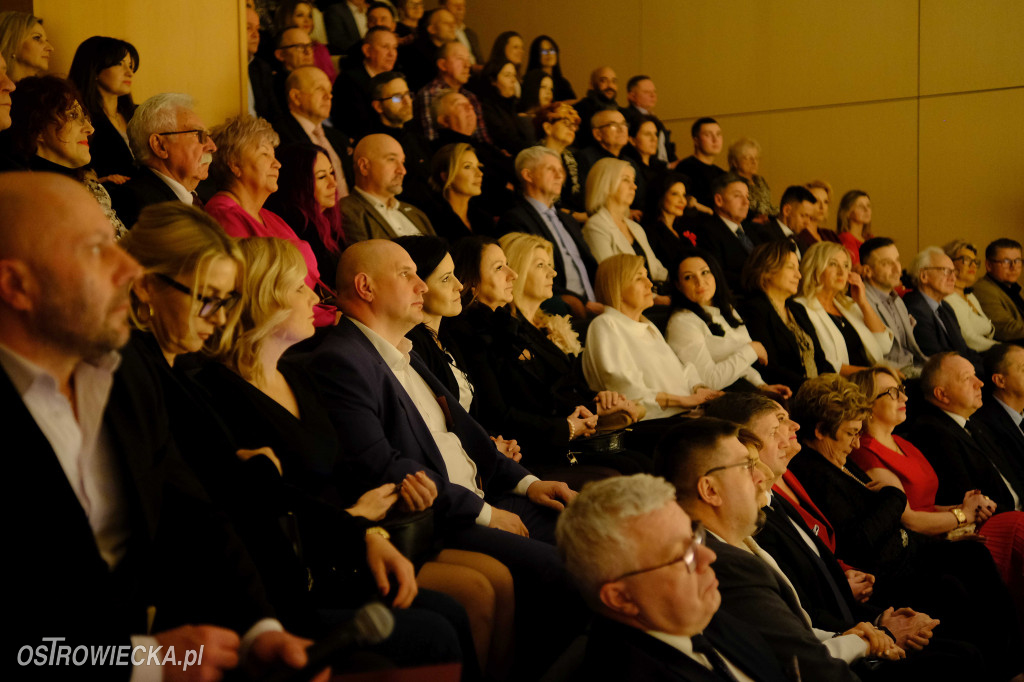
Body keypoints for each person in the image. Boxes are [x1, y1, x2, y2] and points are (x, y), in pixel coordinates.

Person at [0, 172, 326, 681]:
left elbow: (194, 515)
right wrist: (147, 663)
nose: (128, 267)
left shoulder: (124, 371)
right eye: (93, 250)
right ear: (17, 286)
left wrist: (262, 629)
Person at [306, 238, 587, 678]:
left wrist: (530, 483)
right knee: (560, 569)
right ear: (365, 286)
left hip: (481, 498)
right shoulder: (342, 359)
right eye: (406, 274)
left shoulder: (405, 350)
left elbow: (470, 437)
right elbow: (380, 463)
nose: (421, 285)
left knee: (590, 526)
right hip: (440, 517)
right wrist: (485, 512)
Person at [787, 373, 1024, 678]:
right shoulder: (814, 471)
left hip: (906, 551)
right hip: (885, 574)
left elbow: (889, 521)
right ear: (820, 430)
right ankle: (1000, 667)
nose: (856, 442)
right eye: (850, 433)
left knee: (972, 555)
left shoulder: (837, 460)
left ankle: (1011, 664)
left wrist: (947, 534)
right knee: (952, 590)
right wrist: (895, 496)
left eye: (859, 433)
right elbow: (861, 540)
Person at [702, 394, 955, 658]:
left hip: (852, 615)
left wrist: (878, 622)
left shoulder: (776, 495)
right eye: (778, 425)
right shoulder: (750, 523)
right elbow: (801, 629)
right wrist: (880, 633)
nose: (794, 426)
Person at [653, 418, 895, 681]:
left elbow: (788, 634)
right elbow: (805, 667)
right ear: (710, 490)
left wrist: (851, 637)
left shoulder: (732, 544)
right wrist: (866, 642)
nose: (762, 475)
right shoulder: (720, 563)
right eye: (747, 466)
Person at [556, 473, 790, 682]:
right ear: (621, 598)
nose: (708, 556)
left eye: (694, 537)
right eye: (683, 555)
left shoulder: (701, 615)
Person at [849, 366, 1024, 597]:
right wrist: (962, 516)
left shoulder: (903, 442)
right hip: (923, 546)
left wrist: (965, 508)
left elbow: (927, 505)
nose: (904, 396)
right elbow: (908, 519)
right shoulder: (865, 452)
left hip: (948, 531)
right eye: (892, 392)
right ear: (867, 403)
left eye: (901, 389)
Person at [203, 114, 336, 327]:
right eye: (265, 155)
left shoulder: (270, 216)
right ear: (235, 166)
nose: (277, 164)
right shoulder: (223, 216)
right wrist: (332, 317)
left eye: (274, 155)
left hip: (312, 315)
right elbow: (259, 296)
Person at [582, 254, 720, 421]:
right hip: (654, 423)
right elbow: (626, 391)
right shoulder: (605, 324)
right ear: (617, 286)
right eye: (639, 279)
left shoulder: (647, 326)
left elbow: (682, 370)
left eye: (647, 277)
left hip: (685, 413)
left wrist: (699, 388)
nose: (650, 284)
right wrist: (684, 401)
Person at [5, 75, 126, 238]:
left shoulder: (91, 187)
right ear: (38, 127)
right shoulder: (28, 198)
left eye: (85, 118)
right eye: (73, 116)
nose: (90, 129)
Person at [906, 352, 1024, 514]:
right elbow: (967, 501)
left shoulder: (974, 422)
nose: (980, 383)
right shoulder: (931, 434)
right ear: (942, 394)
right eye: (966, 378)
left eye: (975, 375)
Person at [666, 249, 791, 397]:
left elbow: (738, 364)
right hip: (717, 400)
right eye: (688, 277)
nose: (700, 282)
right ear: (678, 285)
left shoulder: (725, 309)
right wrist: (752, 350)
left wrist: (760, 384)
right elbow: (709, 381)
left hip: (742, 390)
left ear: (715, 274)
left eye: (705, 272)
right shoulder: (682, 322)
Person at [495, 145, 598, 319]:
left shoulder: (568, 220)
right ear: (528, 175)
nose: (560, 176)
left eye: (561, 170)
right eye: (551, 170)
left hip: (593, 301)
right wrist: (578, 301)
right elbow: (527, 273)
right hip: (561, 306)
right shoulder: (515, 219)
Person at [110, 92, 218, 228]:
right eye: (199, 135)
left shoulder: (206, 194)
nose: (212, 146)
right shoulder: (138, 204)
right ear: (160, 146)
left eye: (208, 136)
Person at [793, 241, 893, 375]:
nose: (841, 272)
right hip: (839, 386)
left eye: (846, 266)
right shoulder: (800, 307)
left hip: (870, 379)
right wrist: (874, 373)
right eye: (833, 264)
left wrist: (863, 303)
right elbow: (823, 363)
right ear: (815, 267)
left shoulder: (848, 304)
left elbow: (884, 345)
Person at [582, 158, 669, 289]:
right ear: (605, 184)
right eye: (625, 180)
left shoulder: (635, 227)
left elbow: (657, 270)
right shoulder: (596, 226)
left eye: (633, 181)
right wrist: (656, 298)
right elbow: (613, 278)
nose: (634, 186)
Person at [265, 142, 345, 279]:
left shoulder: (330, 221)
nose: (333, 184)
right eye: (321, 177)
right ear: (299, 184)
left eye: (331, 173)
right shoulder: (297, 227)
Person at [903, 246, 985, 376]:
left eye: (954, 272)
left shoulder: (945, 307)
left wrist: (988, 370)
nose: (953, 278)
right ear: (924, 276)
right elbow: (937, 357)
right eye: (946, 271)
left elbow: (963, 349)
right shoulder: (914, 308)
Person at [340, 133, 436, 242]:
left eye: (402, 162)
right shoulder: (346, 212)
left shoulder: (416, 214)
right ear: (364, 166)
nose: (402, 171)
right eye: (391, 159)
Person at [68, 36, 139, 181]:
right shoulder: (79, 118)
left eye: (131, 66)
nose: (129, 72)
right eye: (120, 64)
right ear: (95, 69)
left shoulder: (137, 114)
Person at [275, 65, 352, 198]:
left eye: (329, 90)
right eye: (319, 89)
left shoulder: (338, 138)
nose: (328, 96)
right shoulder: (279, 137)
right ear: (296, 97)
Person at [860, 237, 927, 377]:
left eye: (897, 260)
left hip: (915, 366)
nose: (898, 268)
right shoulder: (861, 302)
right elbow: (875, 359)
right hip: (892, 374)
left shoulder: (896, 299)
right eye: (886, 263)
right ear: (867, 271)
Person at [366, 70, 433, 206]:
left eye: (408, 94)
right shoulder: (376, 145)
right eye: (397, 97)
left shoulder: (416, 137)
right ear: (378, 106)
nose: (407, 101)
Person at [414, 40, 488, 143]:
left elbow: (482, 139)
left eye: (468, 59)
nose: (467, 65)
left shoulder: (470, 96)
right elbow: (431, 140)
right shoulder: (430, 94)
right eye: (460, 59)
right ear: (442, 65)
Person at [331, 26, 399, 138]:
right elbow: (354, 125)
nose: (392, 54)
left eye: (395, 48)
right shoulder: (349, 81)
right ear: (367, 50)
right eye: (385, 47)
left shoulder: (396, 78)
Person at [693, 172, 755, 294]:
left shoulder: (753, 230)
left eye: (747, 197)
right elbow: (718, 273)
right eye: (738, 196)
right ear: (719, 200)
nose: (746, 202)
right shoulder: (707, 232)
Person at [425, 141, 491, 240]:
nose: (479, 173)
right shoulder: (433, 219)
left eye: (478, 166)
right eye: (467, 167)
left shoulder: (484, 219)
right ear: (446, 176)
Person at [942, 239, 997, 352]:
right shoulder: (947, 297)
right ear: (949, 262)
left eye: (975, 261)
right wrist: (1004, 347)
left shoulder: (970, 295)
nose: (973, 265)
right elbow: (968, 339)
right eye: (966, 260)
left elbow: (988, 328)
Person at [533, 102, 585, 217]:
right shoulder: (534, 158)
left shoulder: (572, 158)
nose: (572, 128)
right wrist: (576, 216)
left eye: (574, 125)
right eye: (566, 123)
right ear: (548, 127)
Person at [972, 238, 1024, 343]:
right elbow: (1005, 329)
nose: (1013, 267)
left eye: (1017, 261)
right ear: (989, 265)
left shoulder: (1012, 288)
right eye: (1006, 261)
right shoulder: (983, 289)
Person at [642, 172, 697, 272]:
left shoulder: (682, 228)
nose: (682, 201)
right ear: (660, 196)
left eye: (683, 195)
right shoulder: (650, 232)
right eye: (675, 194)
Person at [476, 59, 529, 155]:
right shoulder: (486, 109)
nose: (513, 80)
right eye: (507, 75)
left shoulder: (511, 105)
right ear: (493, 81)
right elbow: (507, 140)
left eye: (514, 75)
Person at [275, 0, 336, 83]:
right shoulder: (278, 49)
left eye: (310, 16)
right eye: (300, 15)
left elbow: (331, 79)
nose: (307, 20)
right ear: (286, 17)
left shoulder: (320, 48)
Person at [398, 7, 456, 91]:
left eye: (453, 23)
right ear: (431, 29)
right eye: (446, 23)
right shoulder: (416, 53)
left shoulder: (453, 50)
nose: (452, 26)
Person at [622, 75, 676, 166]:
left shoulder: (655, 119)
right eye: (646, 92)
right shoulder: (626, 118)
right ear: (632, 96)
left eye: (654, 92)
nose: (653, 95)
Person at [675, 117, 725, 212]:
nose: (715, 139)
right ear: (696, 140)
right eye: (708, 135)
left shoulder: (721, 174)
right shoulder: (685, 168)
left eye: (718, 134)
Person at [751, 184, 815, 257]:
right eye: (803, 216)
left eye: (810, 217)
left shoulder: (801, 242)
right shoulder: (765, 235)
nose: (807, 222)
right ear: (787, 210)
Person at [245, 6, 283, 123]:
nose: (256, 35)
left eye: (257, 29)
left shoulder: (261, 67)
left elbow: (275, 115)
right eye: (248, 28)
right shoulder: (218, 66)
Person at [728, 138, 775, 223]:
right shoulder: (731, 182)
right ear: (734, 162)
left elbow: (768, 206)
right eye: (747, 158)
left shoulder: (760, 180)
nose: (754, 162)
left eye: (756, 158)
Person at [572, 66, 619, 149]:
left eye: (613, 81)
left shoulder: (620, 112)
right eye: (603, 80)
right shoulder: (580, 110)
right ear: (591, 85)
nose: (610, 86)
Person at [0, 11, 52, 82]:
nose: (51, 48)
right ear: (11, 43)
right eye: (37, 38)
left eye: (46, 40)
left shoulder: (50, 90)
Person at [526, 35, 575, 101]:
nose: (549, 53)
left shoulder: (563, 84)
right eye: (544, 51)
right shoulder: (530, 83)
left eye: (552, 50)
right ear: (536, 55)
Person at [836, 190, 872, 269]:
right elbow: (855, 267)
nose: (866, 210)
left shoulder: (870, 238)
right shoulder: (846, 238)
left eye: (868, 206)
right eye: (860, 206)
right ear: (848, 212)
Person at [440, 0, 483, 64]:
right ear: (443, 7)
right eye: (455, 5)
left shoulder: (471, 34)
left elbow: (480, 61)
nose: (460, 9)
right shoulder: (443, 33)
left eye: (463, 5)